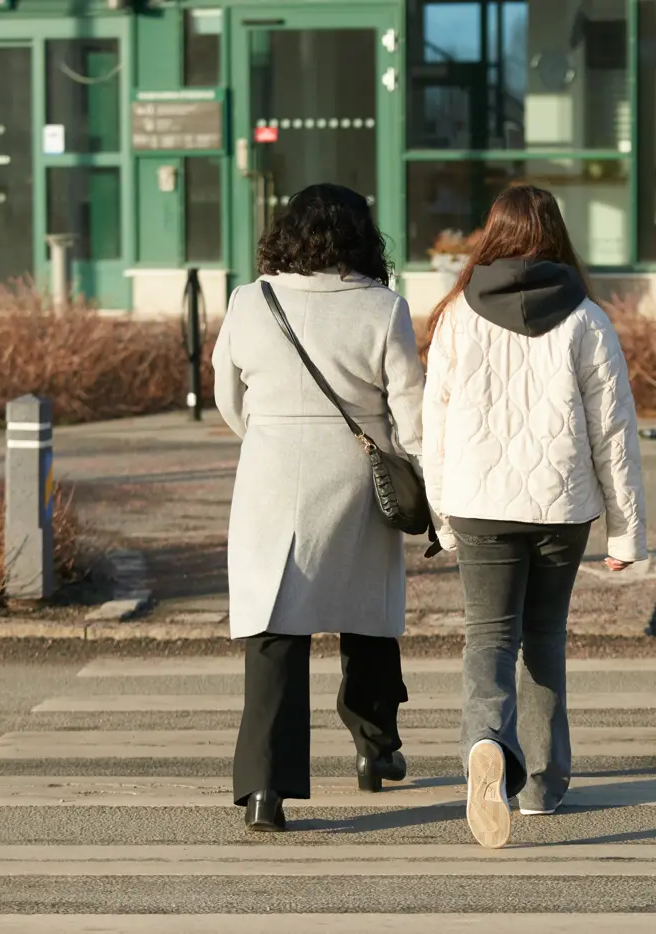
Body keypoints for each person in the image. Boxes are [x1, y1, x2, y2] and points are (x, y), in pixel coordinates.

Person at [420, 184, 647, 848]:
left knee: (488, 637)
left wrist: (440, 515)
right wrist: (627, 531)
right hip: (561, 505)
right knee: (544, 638)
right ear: (556, 234)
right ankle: (543, 785)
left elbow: (432, 424)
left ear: (491, 235)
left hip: (479, 504)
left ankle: (486, 745)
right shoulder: (587, 319)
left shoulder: (458, 316)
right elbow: (614, 432)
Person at [213, 183, 424, 832]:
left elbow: (228, 395)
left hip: (270, 479)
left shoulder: (251, 301)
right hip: (356, 477)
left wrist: (269, 434)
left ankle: (264, 791)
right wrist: (424, 479)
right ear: (363, 238)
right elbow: (411, 413)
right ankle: (375, 747)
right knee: (367, 616)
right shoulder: (383, 309)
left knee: (274, 629)